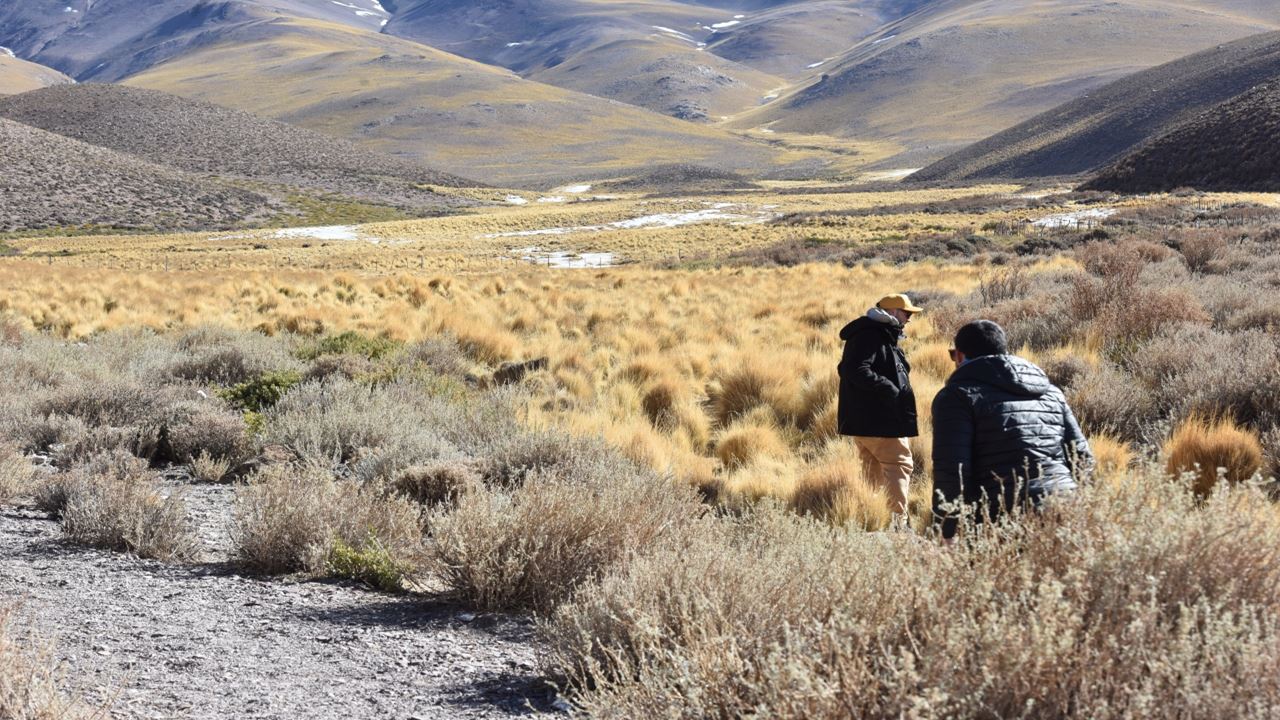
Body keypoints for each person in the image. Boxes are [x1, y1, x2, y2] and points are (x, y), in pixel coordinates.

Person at [931, 320, 1093, 543]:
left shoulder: (956, 396)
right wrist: (1089, 510)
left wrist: (947, 530)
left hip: (1003, 516)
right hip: (1065, 506)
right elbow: (1082, 457)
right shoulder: (1051, 392)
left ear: (959, 355)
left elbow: (953, 470)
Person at [837, 293, 922, 528]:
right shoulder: (871, 334)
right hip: (880, 419)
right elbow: (853, 369)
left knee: (873, 467)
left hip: (867, 419)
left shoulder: (875, 334)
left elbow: (850, 368)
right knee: (899, 464)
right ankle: (898, 523)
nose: (909, 319)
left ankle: (873, 518)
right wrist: (890, 390)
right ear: (893, 312)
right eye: (907, 313)